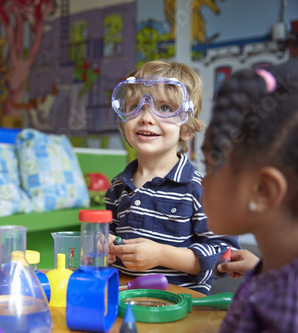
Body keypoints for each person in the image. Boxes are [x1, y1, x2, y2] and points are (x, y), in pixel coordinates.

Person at [106, 60, 240, 295]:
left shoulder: (200, 188)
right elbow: (107, 230)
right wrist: (103, 242)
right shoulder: (118, 185)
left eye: (165, 108)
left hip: (180, 307)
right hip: (125, 299)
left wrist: (162, 254)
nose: (146, 117)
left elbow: (225, 256)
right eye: (136, 106)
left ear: (187, 130)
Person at [202, 59, 298, 331]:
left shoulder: (288, 303)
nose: (203, 182)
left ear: (263, 190)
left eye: (210, 165)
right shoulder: (271, 270)